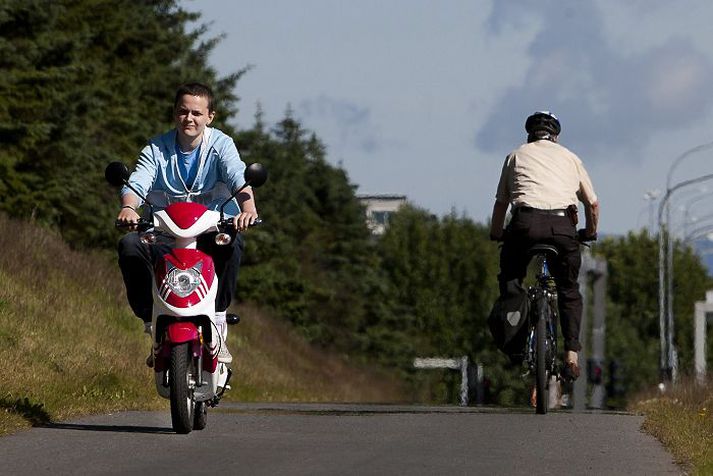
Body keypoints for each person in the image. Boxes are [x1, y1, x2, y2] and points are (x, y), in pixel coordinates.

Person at [115, 82, 259, 366]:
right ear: (174, 114)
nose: (189, 119)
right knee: (130, 245)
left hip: (210, 231)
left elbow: (237, 177)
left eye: (196, 113)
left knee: (233, 241)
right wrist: (129, 207)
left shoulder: (221, 145)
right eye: (183, 112)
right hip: (165, 233)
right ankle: (152, 322)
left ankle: (217, 320)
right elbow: (137, 181)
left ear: (210, 116)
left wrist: (248, 209)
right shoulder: (157, 148)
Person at [489, 111, 599, 381]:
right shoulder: (571, 158)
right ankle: (571, 354)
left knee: (511, 279)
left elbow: (502, 203)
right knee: (569, 290)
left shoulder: (515, 156)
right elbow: (592, 204)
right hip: (563, 228)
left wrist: (496, 233)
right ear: (556, 136)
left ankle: (515, 337)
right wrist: (589, 232)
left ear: (529, 135)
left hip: (524, 224)